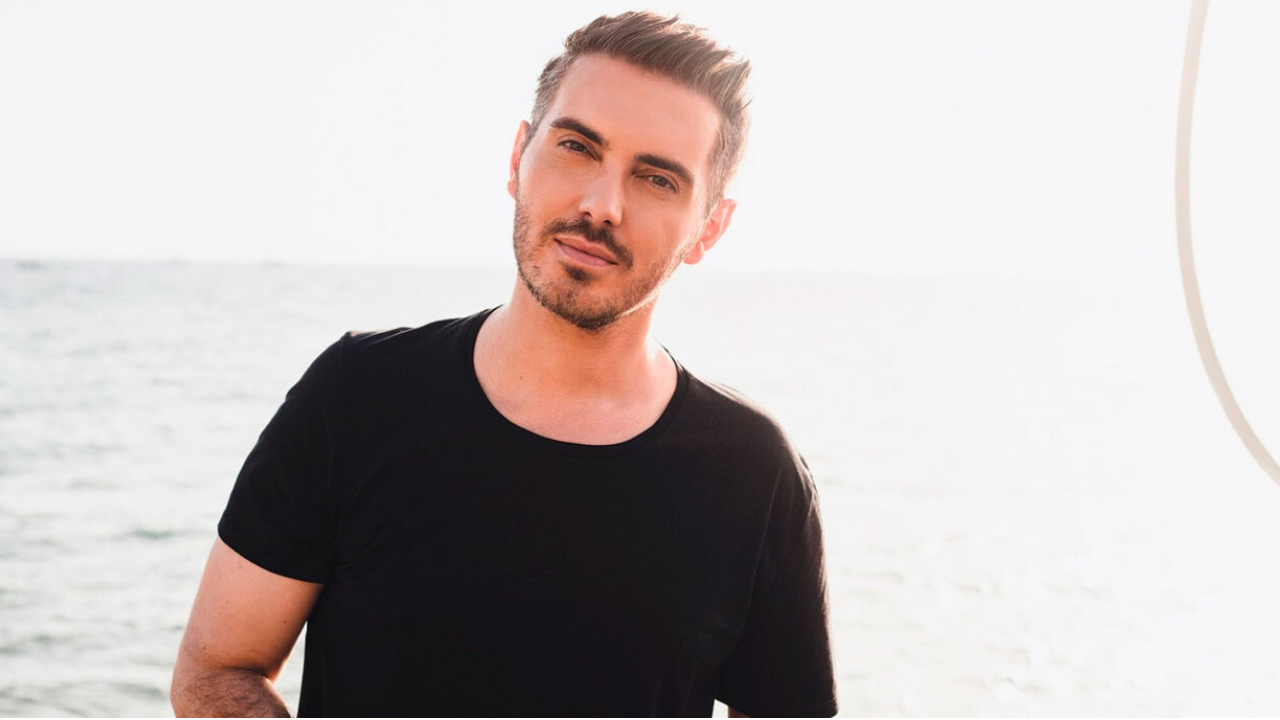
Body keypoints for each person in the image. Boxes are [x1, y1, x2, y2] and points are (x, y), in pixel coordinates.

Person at [171, 10, 838, 718]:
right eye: (577, 146)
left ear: (710, 227)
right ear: (519, 156)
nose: (601, 205)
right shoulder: (357, 396)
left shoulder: (753, 472)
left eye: (657, 179)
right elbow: (216, 672)